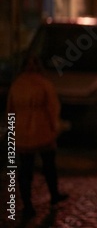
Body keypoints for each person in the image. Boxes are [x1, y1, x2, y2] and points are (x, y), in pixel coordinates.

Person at [7, 55, 68, 219]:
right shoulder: (43, 83)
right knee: (47, 165)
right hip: (41, 129)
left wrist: (12, 130)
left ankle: (29, 204)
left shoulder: (17, 84)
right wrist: (54, 126)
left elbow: (10, 110)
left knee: (27, 169)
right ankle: (50, 196)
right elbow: (52, 108)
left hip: (23, 131)